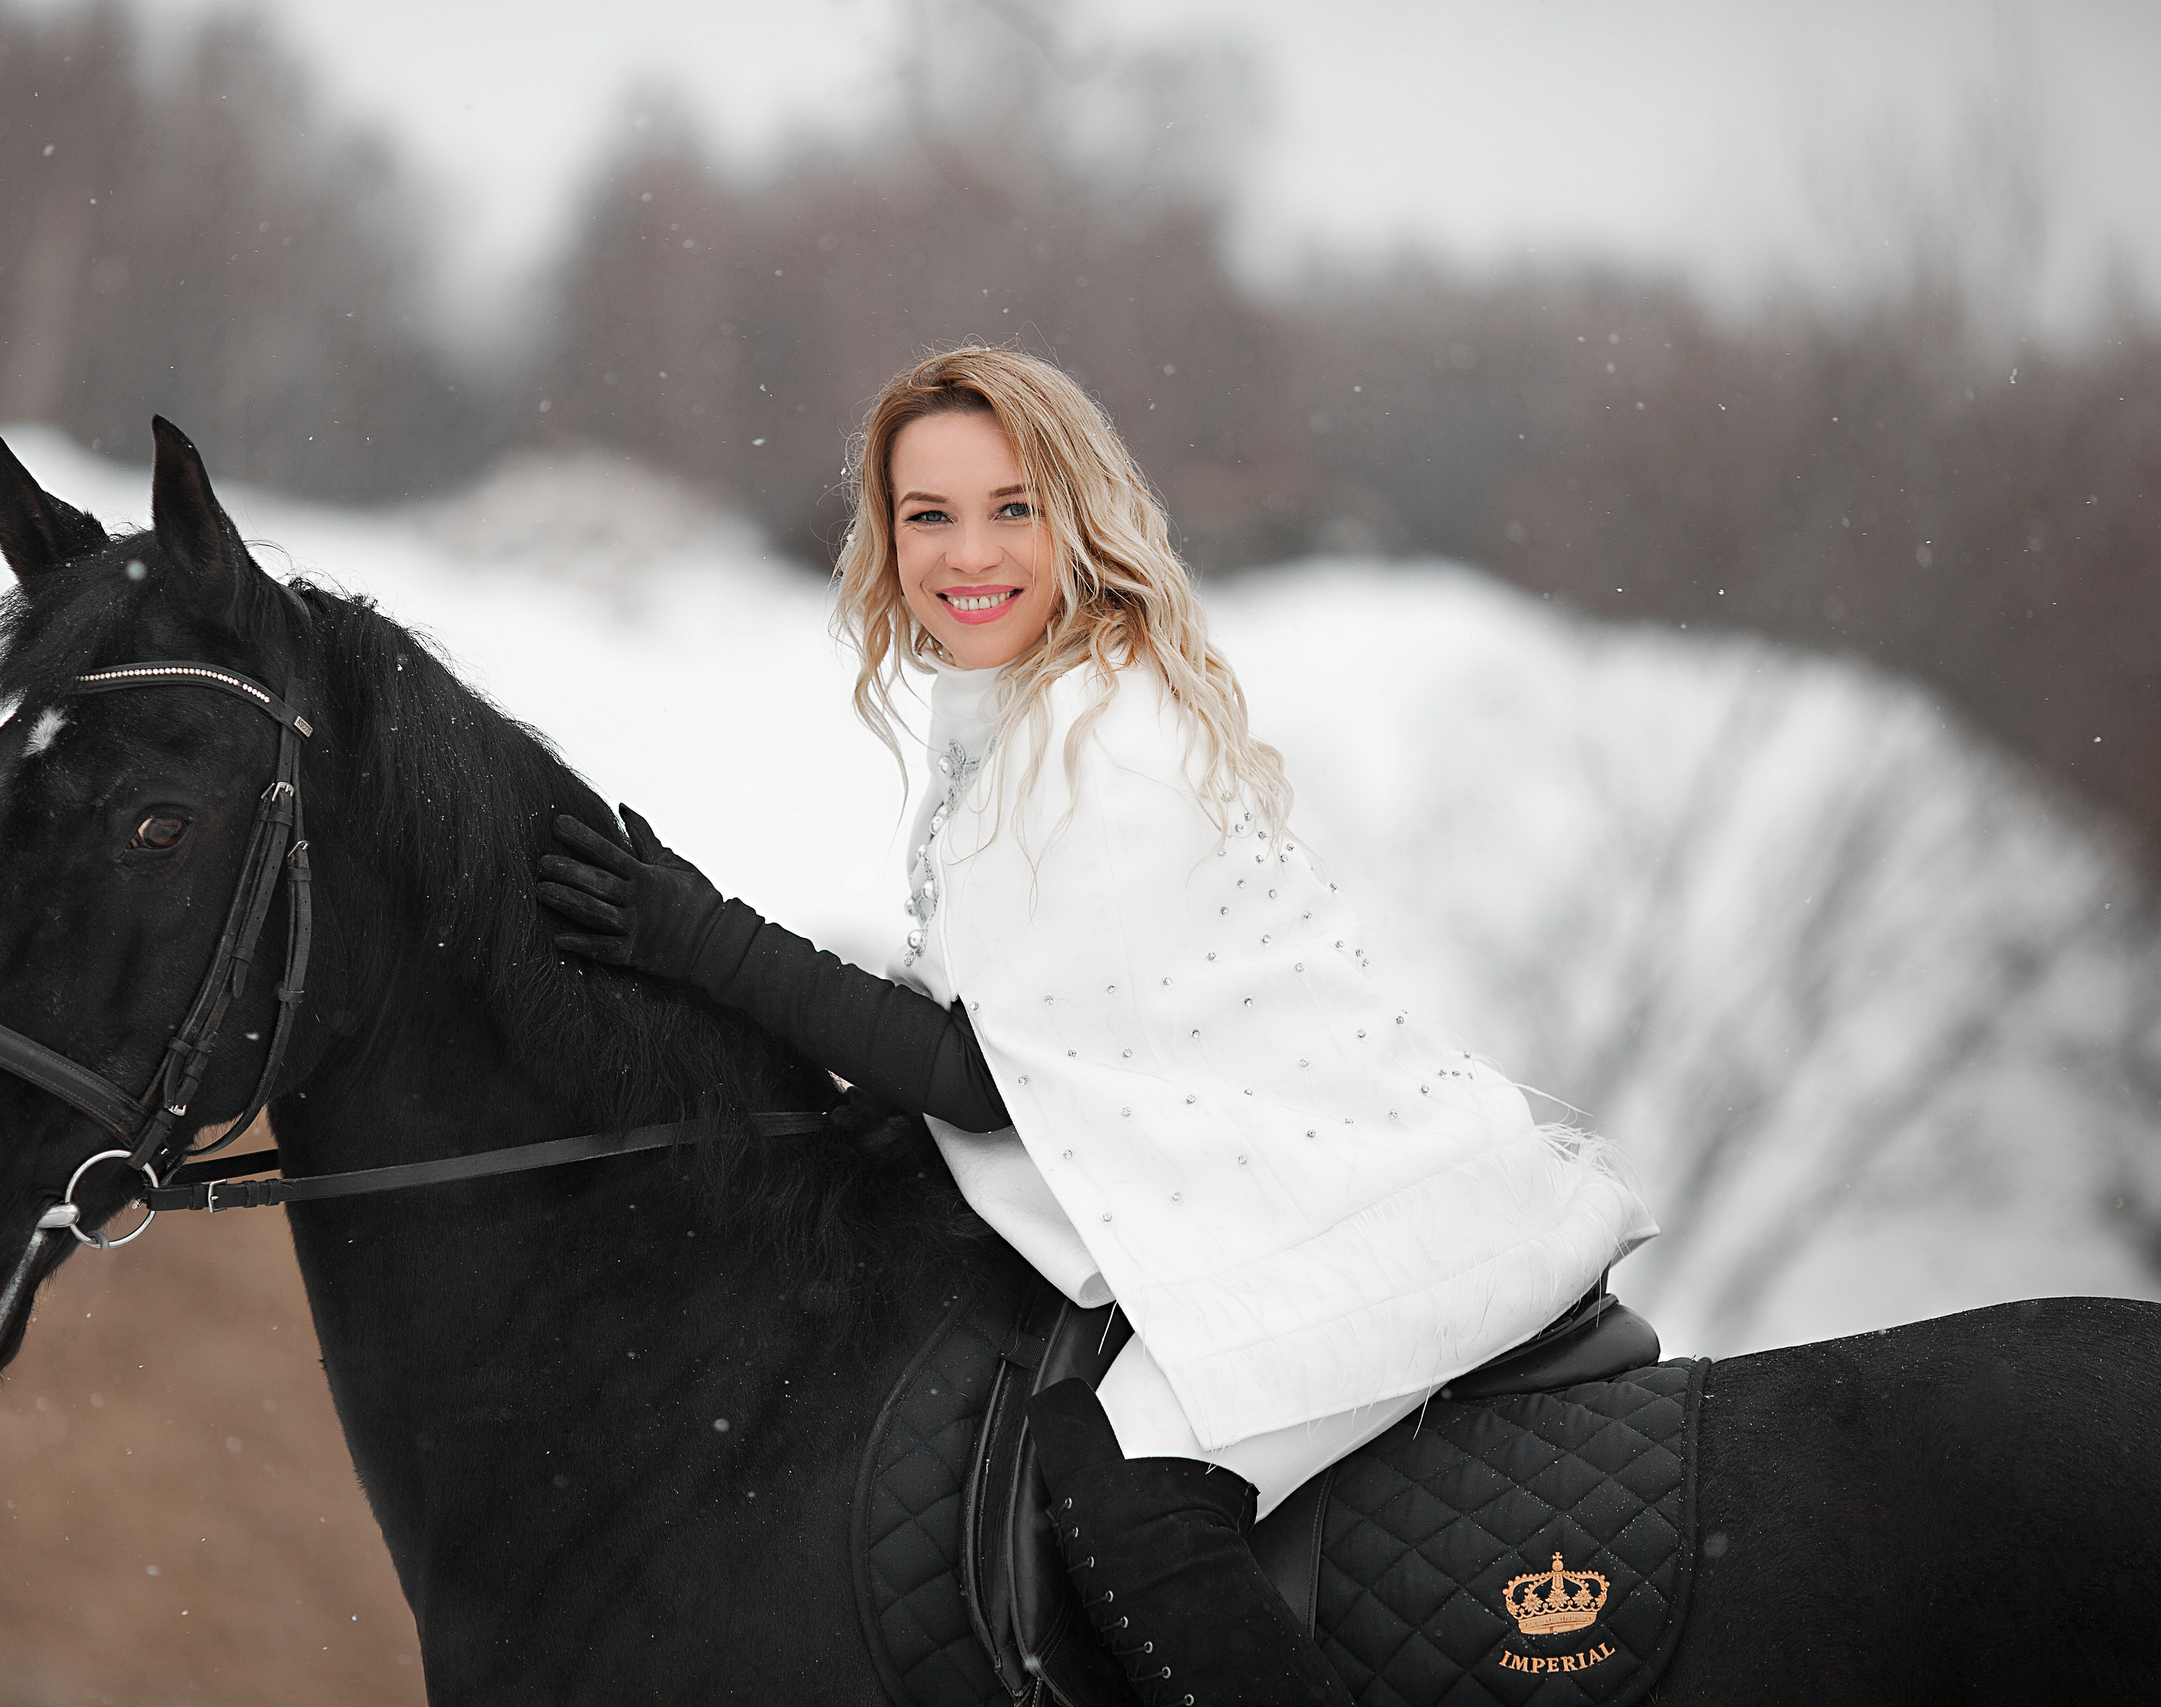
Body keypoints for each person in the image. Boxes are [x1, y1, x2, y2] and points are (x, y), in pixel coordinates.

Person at [534, 346, 1656, 1707]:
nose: (967, 554)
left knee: (1126, 1491)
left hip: (1352, 1213)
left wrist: (699, 937)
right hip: (1262, 1176)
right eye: (926, 515)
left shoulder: (1098, 740)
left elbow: (982, 1078)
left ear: (1080, 515)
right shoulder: (1021, 713)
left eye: (1012, 508)